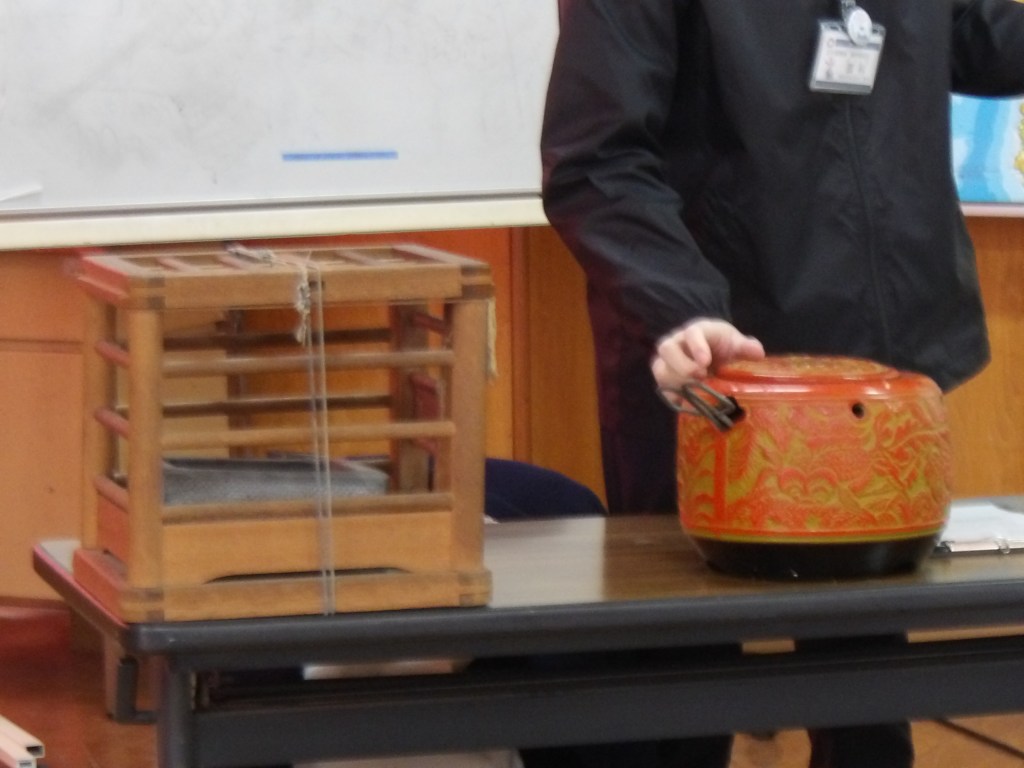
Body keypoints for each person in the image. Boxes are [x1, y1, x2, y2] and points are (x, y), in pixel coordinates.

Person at [537, 0, 1024, 766]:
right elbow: (596, 161)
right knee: (684, 671)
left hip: (873, 367)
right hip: (713, 365)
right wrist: (684, 309)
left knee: (865, 681)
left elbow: (979, 36)